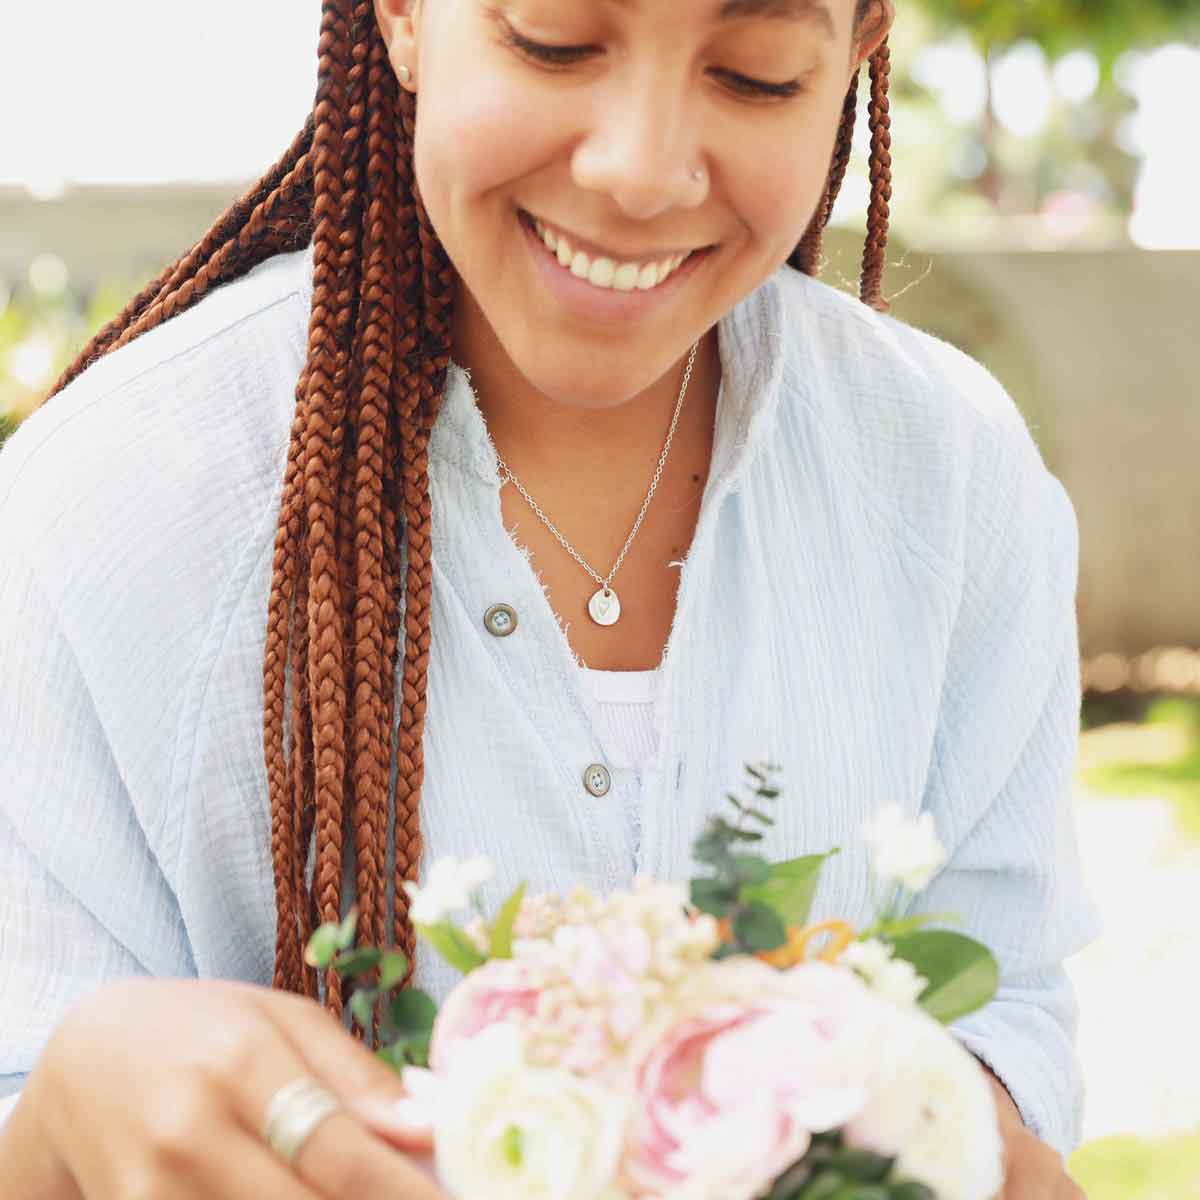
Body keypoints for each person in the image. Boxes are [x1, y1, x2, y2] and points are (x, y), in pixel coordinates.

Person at [0, 0, 1099, 1195]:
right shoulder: (110, 501)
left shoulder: (949, 473)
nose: (639, 170)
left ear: (856, 51)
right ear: (407, 17)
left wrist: (950, 1127)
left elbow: (1010, 995)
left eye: (755, 74)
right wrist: (63, 1113)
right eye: (555, 41)